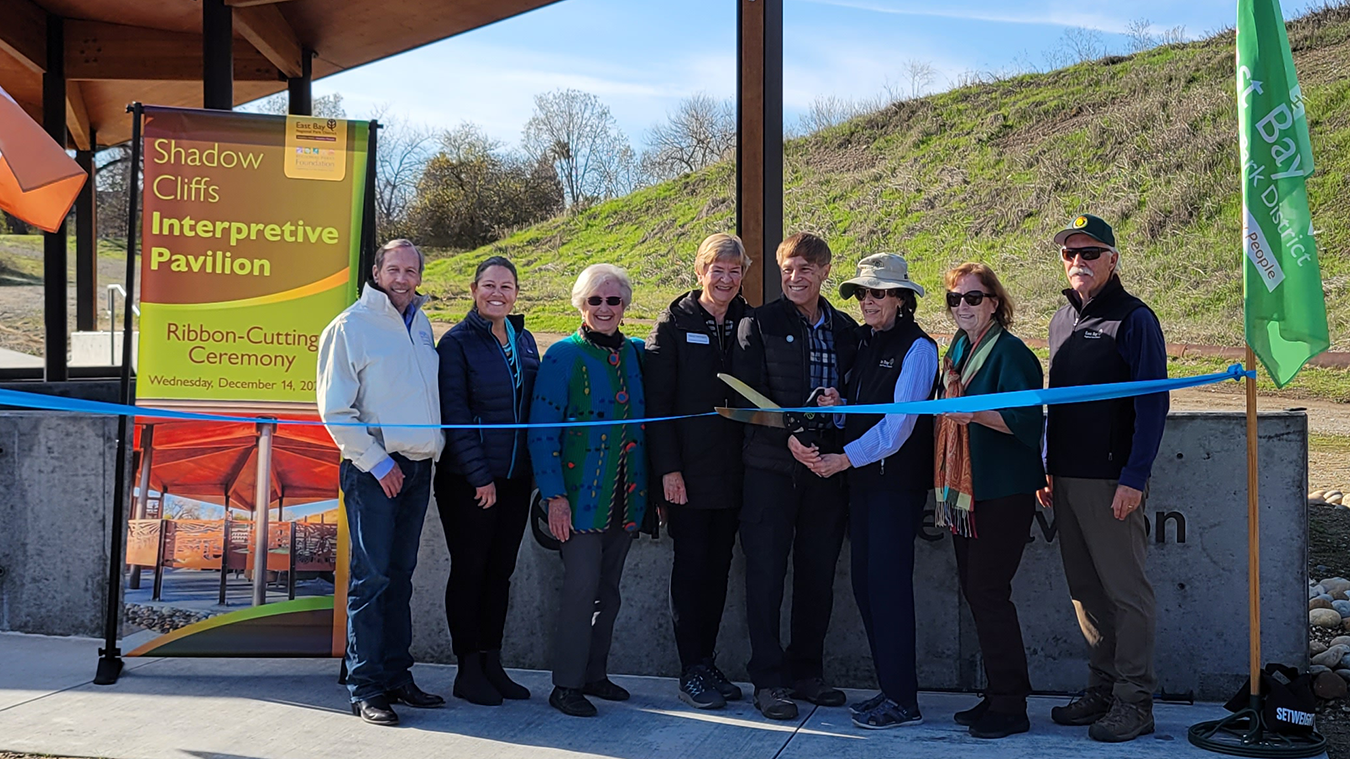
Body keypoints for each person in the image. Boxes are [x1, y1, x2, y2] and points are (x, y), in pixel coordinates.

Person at [1039, 214, 1169, 743]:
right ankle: (1102, 689)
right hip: (1065, 478)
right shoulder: (1060, 321)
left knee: (1126, 594)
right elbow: (1054, 404)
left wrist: (1133, 477)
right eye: (1070, 255)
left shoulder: (1134, 318)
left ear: (1113, 260)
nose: (1078, 263)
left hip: (1111, 479)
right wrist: (1046, 463)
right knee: (1085, 592)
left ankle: (1135, 702)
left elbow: (1151, 404)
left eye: (1089, 253)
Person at [800, 253, 936, 730]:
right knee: (868, 589)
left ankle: (904, 700)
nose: (867, 301)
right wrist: (839, 406)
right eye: (862, 293)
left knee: (889, 591)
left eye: (877, 293)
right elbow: (859, 416)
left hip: (894, 489)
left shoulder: (920, 349)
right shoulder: (864, 343)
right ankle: (891, 690)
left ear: (901, 299)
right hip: (864, 486)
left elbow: (899, 427)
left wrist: (842, 459)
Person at [730, 232, 858, 721]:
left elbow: (859, 395)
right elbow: (744, 398)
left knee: (818, 575)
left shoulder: (846, 329)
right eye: (787, 268)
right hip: (771, 469)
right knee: (765, 575)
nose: (794, 277)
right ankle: (769, 680)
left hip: (827, 470)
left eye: (805, 268)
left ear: (824, 272)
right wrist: (787, 437)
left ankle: (807, 673)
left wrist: (839, 410)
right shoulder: (756, 324)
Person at [317, 238, 445, 727]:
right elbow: (335, 411)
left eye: (411, 271)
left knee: (401, 578)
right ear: (377, 272)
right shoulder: (350, 326)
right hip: (376, 472)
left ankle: (396, 676)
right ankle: (366, 688)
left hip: (417, 469)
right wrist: (377, 462)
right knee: (371, 582)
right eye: (394, 269)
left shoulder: (421, 324)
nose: (403, 278)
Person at [529, 263, 650, 718]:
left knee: (609, 592)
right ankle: (566, 684)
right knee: (580, 590)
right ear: (581, 304)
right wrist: (554, 497)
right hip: (579, 499)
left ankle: (595, 674)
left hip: (625, 494)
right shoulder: (563, 355)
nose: (604, 308)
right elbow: (542, 433)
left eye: (613, 300)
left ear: (625, 306)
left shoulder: (636, 353)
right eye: (595, 300)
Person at [932, 262, 1045, 739]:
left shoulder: (1012, 354)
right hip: (965, 494)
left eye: (973, 298)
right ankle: (997, 693)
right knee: (979, 593)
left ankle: (1012, 704)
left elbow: (1025, 418)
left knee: (988, 593)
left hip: (1002, 492)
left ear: (995, 303)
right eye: (955, 299)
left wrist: (972, 413)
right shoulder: (958, 348)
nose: (963, 307)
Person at [644, 233, 752, 710]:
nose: (725, 279)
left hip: (734, 475)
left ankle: (707, 664)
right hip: (686, 475)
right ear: (699, 270)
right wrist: (668, 470)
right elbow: (657, 407)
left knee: (718, 570)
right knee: (691, 573)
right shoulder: (672, 324)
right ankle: (691, 670)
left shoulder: (751, 322)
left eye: (734, 271)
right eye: (717, 270)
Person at [434, 256, 540, 706]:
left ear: (517, 292)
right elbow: (454, 415)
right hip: (469, 481)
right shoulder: (456, 343)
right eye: (489, 285)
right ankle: (467, 668)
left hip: (515, 479)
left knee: (501, 572)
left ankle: (492, 662)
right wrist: (480, 476)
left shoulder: (525, 338)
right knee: (471, 571)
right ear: (474, 290)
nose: (498, 293)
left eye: (507, 286)